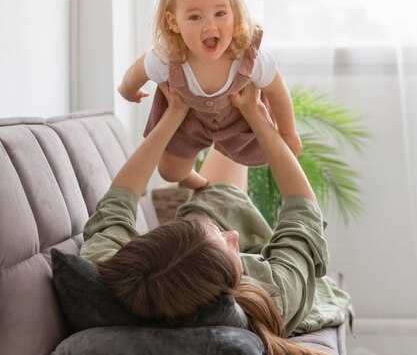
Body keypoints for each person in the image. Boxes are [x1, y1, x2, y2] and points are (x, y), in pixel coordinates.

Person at [80, 83, 352, 355]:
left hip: (192, 265)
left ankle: (222, 92)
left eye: (217, 233)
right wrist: (256, 116)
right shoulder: (275, 293)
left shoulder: (108, 267)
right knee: (225, 200)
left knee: (217, 197)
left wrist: (174, 114)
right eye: (227, 243)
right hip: (254, 274)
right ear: (225, 290)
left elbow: (118, 200)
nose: (231, 234)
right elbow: (302, 211)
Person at [118, 0, 303, 189]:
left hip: (236, 122)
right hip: (189, 124)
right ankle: (199, 182)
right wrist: (127, 90)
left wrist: (288, 132)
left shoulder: (247, 56)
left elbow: (277, 91)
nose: (210, 26)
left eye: (220, 13)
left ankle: (227, 167)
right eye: (195, 17)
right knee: (170, 172)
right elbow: (137, 72)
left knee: (275, 153)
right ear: (174, 22)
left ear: (235, 14)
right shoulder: (168, 57)